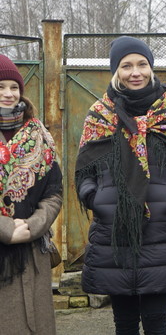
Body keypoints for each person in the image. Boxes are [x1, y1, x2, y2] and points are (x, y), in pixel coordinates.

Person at [75, 36, 166, 335]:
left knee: (158, 321)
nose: (136, 72)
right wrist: (94, 198)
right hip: (112, 231)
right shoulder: (100, 114)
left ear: (151, 68)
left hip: (158, 230)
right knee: (124, 322)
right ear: (116, 71)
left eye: (142, 64)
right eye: (126, 65)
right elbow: (84, 168)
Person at [0, 54, 63, 335]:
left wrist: (34, 225)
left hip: (33, 250)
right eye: (0, 87)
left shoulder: (40, 137)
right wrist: (6, 229)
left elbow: (54, 192)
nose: (8, 94)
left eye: (13, 87)